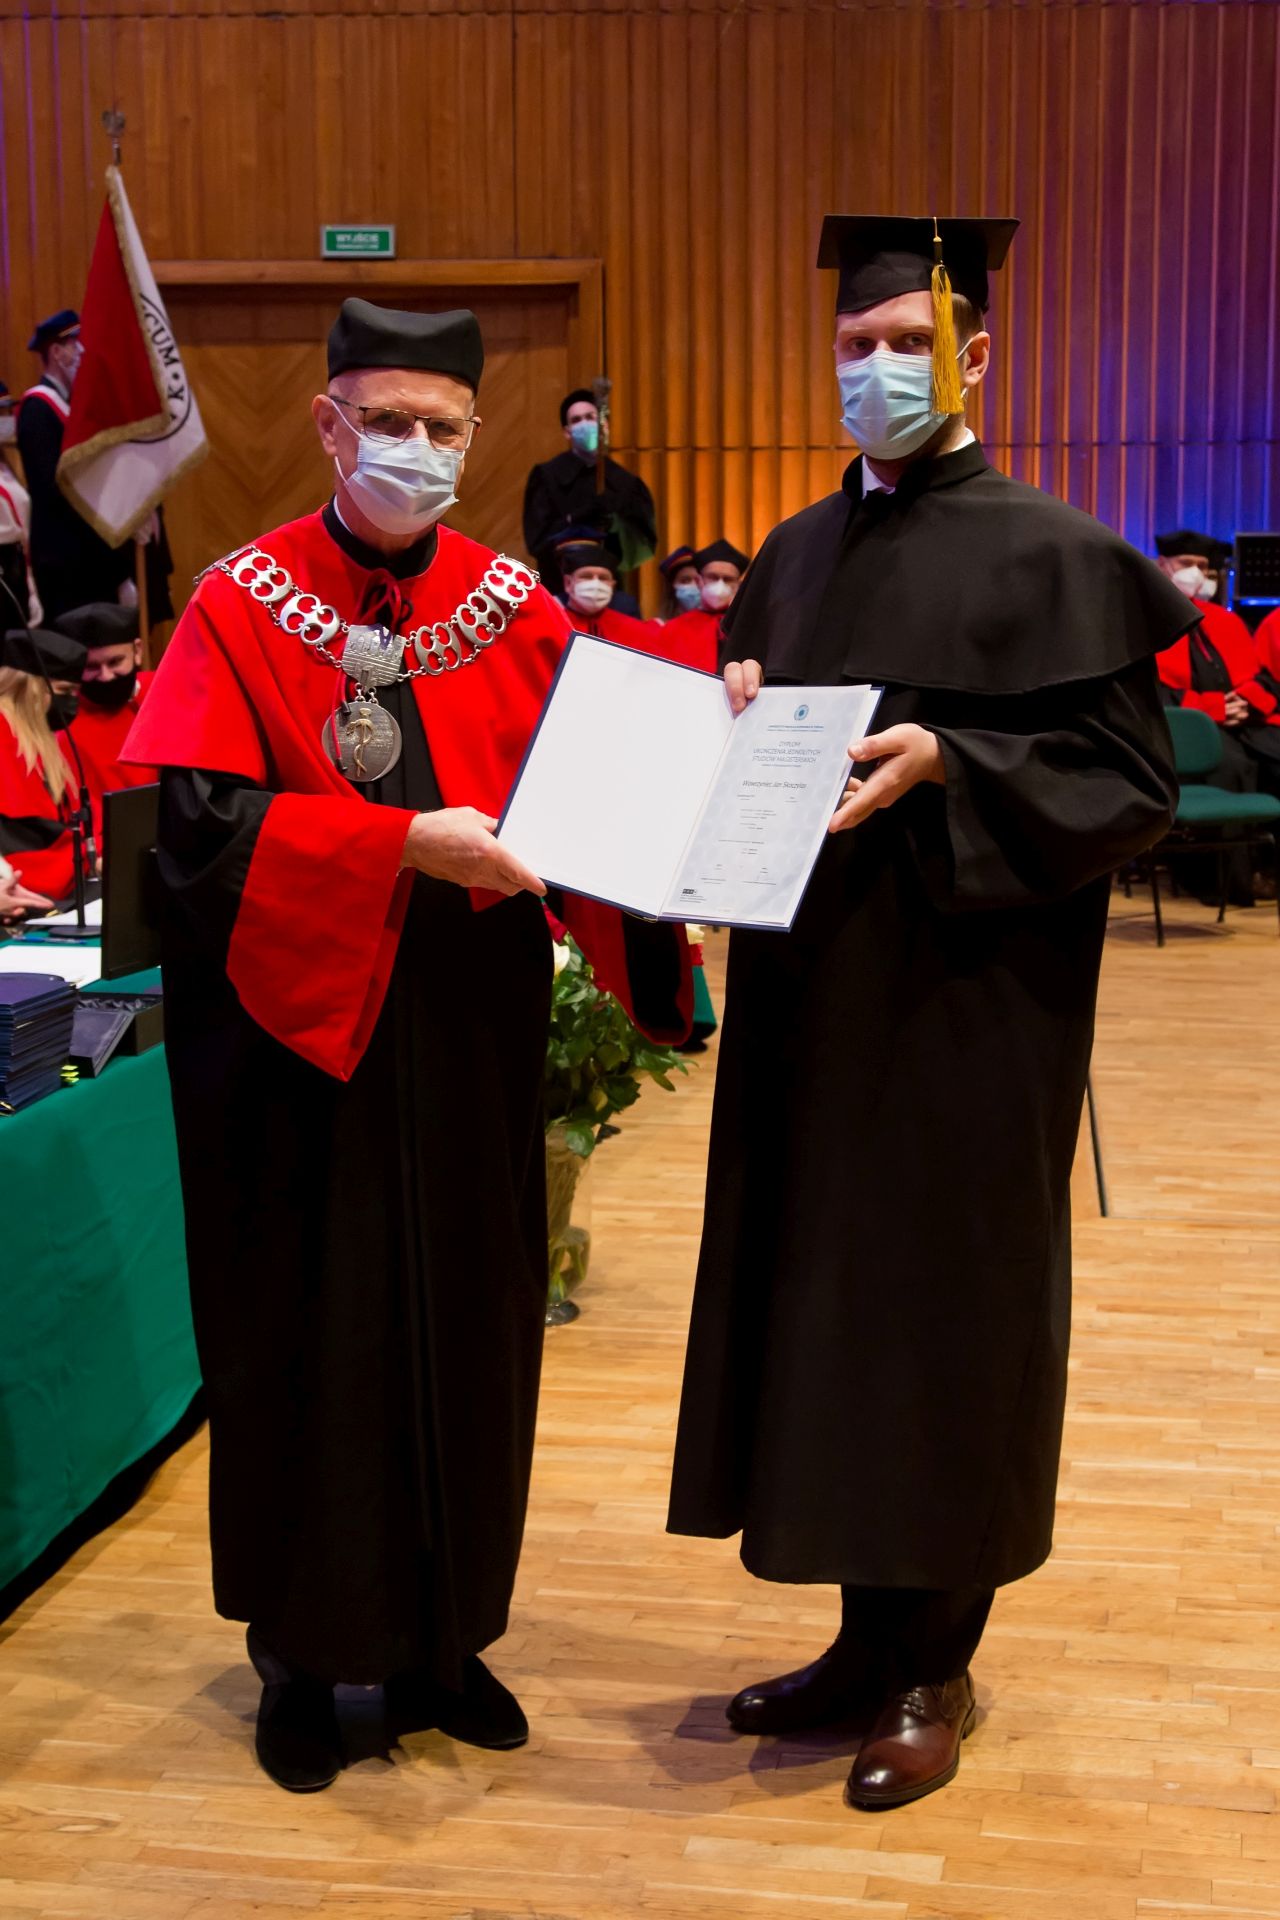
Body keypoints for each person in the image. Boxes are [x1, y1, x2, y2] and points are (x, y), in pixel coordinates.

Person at [123, 298, 689, 1796]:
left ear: (474, 436)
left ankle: (446, 1644)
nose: (415, 449)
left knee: (472, 1325)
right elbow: (192, 837)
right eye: (387, 422)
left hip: (465, 1035)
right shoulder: (241, 602)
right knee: (309, 1329)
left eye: (441, 428)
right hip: (294, 1046)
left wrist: (715, 770)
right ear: (327, 426)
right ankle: (303, 1659)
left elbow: (604, 788)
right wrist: (391, 848)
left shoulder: (515, 607)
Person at [666, 214, 1194, 1813]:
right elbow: (754, 760)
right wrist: (730, 730)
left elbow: (1134, 784)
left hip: (974, 1011)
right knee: (828, 1310)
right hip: (810, 999)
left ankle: (933, 1663)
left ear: (975, 355)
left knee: (947, 1321)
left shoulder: (1055, 555)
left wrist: (954, 760)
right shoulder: (791, 554)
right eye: (856, 344)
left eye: (910, 342)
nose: (880, 368)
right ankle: (856, 1641)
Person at [1154, 529, 1280, 835]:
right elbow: (1153, 691)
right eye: (1186, 563)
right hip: (1190, 726)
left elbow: (1262, 676)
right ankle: (1228, 863)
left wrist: (1246, 702)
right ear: (1162, 565)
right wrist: (1215, 709)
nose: (1196, 573)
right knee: (1234, 766)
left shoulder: (1226, 620)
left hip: (1243, 722)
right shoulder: (1147, 618)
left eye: (1203, 566)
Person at [18, 311, 133, 621]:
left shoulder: (69, 408)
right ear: (57, 353)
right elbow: (51, 489)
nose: (82, 352)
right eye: (74, 344)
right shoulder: (38, 409)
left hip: (87, 560)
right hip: (64, 561)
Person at [522, 389, 657, 595]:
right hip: (558, 586)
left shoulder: (625, 483)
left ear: (604, 425)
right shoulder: (547, 476)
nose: (584, 424)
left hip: (608, 588)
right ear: (567, 431)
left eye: (590, 417)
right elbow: (537, 541)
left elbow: (643, 545)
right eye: (576, 420)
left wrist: (615, 525)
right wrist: (574, 519)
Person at [0, 623, 89, 903]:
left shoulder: (43, 740)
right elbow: (25, 834)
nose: (70, 701)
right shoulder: (4, 733)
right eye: (64, 690)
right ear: (30, 686)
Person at [56, 603, 157, 826]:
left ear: (137, 651)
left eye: (115, 662)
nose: (105, 676)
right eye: (91, 666)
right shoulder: (62, 723)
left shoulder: (163, 693)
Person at [654, 540, 749, 671]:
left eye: (728, 579)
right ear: (699, 581)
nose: (720, 585)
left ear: (738, 586)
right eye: (713, 577)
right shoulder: (674, 627)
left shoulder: (747, 626)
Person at [560, 544, 659, 649]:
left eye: (603, 578)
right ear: (568, 583)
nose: (596, 584)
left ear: (612, 585)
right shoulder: (555, 624)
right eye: (586, 576)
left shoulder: (636, 629)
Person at [0, 381, 41, 628]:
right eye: (1, 413)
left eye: (8, 411)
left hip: (17, 570)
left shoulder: (8, 464)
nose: (7, 419)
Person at [656, 545, 702, 622]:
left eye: (698, 580)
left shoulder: (718, 624)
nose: (693, 585)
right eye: (685, 581)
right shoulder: (660, 625)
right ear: (672, 586)